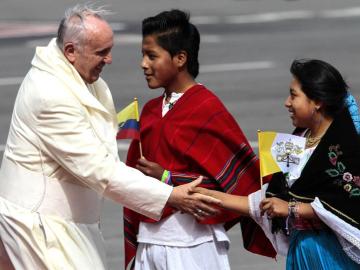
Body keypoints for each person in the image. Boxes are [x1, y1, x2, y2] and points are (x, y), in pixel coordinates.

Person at [0, 4, 221, 270]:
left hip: (67, 225)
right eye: (101, 52)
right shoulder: (50, 95)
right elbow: (99, 169)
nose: (109, 59)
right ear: (70, 51)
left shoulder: (80, 77)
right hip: (39, 227)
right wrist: (171, 195)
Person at [123, 9, 275, 270]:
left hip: (192, 244)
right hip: (148, 241)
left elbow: (238, 183)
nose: (143, 64)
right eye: (143, 55)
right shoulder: (147, 111)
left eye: (152, 56)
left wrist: (167, 178)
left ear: (180, 58)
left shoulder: (207, 107)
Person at [195, 59, 360, 269]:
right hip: (302, 253)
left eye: (294, 95)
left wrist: (291, 209)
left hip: (332, 256)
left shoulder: (347, 147)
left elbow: (346, 205)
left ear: (317, 101)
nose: (287, 103)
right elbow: (267, 201)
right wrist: (206, 196)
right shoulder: (296, 141)